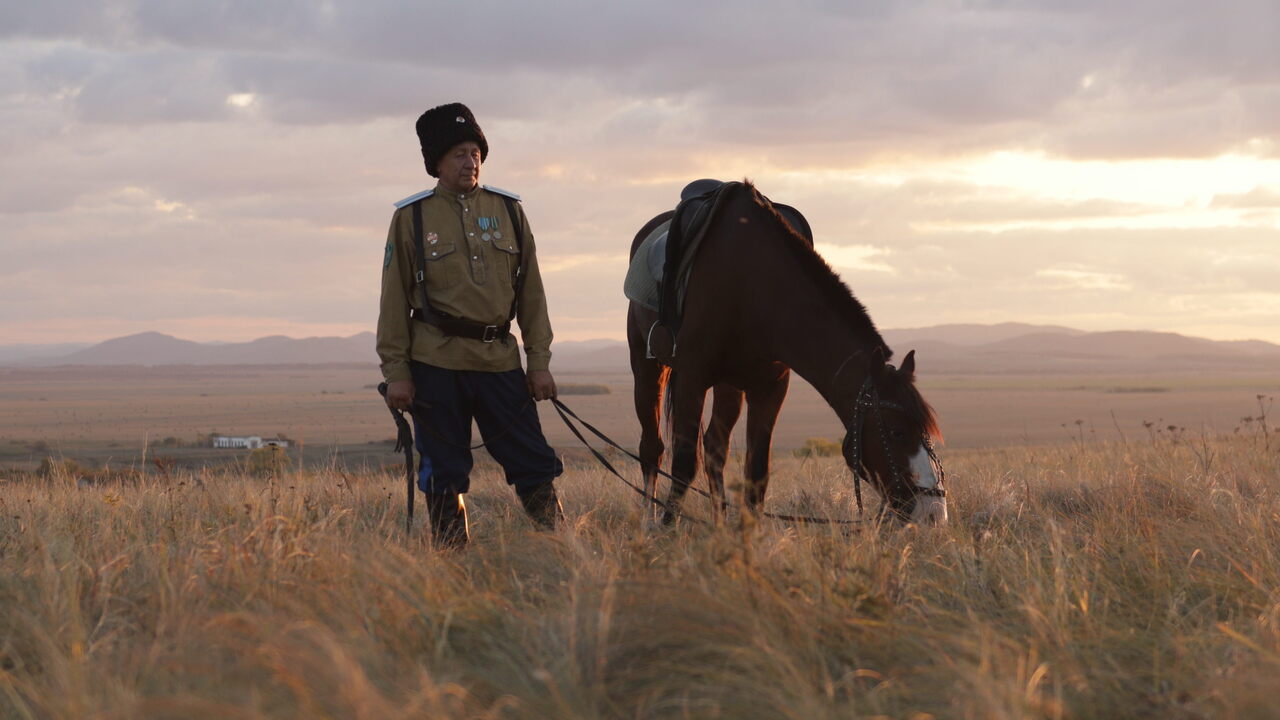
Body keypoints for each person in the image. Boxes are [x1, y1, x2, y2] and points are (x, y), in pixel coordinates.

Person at [377, 102, 563, 548]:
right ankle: (452, 560)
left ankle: (558, 547)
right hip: (435, 363)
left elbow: (532, 295)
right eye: (459, 153)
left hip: (499, 361)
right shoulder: (412, 218)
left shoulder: (510, 212)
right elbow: (392, 301)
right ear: (436, 162)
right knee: (444, 468)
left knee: (533, 459)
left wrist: (538, 361)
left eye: (475, 151)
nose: (470, 161)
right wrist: (397, 374)